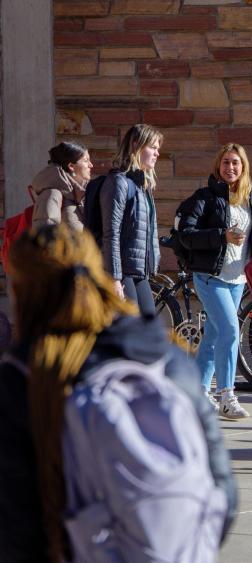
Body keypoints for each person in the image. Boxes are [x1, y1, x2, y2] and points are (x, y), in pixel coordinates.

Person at [0, 223, 237, 562]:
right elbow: (222, 495)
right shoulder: (164, 356)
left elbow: (17, 528)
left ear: (23, 291)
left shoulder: (24, 378)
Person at [177, 143, 252, 419]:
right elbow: (186, 233)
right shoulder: (204, 197)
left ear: (243, 167)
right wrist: (221, 236)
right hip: (209, 275)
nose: (230, 168)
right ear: (218, 166)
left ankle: (198, 392)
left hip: (237, 278)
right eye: (226, 162)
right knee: (229, 330)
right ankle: (226, 394)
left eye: (235, 163)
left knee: (214, 336)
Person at [99, 123, 162, 316]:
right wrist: (115, 278)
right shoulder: (119, 182)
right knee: (130, 329)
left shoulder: (143, 186)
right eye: (152, 147)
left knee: (149, 326)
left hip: (139, 272)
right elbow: (111, 233)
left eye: (158, 148)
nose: (157, 153)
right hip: (122, 272)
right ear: (136, 146)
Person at [31, 141, 93, 231]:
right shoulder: (52, 194)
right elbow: (44, 237)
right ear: (71, 166)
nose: (91, 165)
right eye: (86, 160)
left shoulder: (80, 194)